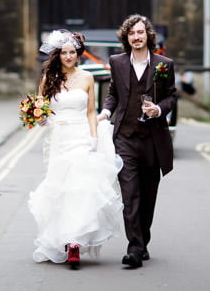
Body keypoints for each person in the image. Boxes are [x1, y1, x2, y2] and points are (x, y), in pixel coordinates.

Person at [28, 29, 123, 269]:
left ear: (78, 54)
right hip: (59, 138)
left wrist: (93, 138)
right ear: (58, 55)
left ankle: (74, 244)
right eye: (64, 53)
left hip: (81, 137)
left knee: (80, 189)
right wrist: (38, 118)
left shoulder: (87, 78)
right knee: (60, 189)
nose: (69, 56)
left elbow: (91, 111)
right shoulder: (48, 79)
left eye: (72, 52)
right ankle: (60, 236)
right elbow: (42, 109)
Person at [98, 14, 176, 269]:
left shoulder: (164, 64)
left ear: (148, 35)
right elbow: (113, 94)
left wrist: (159, 110)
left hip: (153, 140)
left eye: (140, 32)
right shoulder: (117, 62)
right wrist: (106, 112)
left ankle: (142, 241)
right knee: (130, 195)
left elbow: (171, 98)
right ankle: (134, 249)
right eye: (132, 33)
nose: (136, 37)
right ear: (126, 37)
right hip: (125, 138)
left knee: (148, 196)